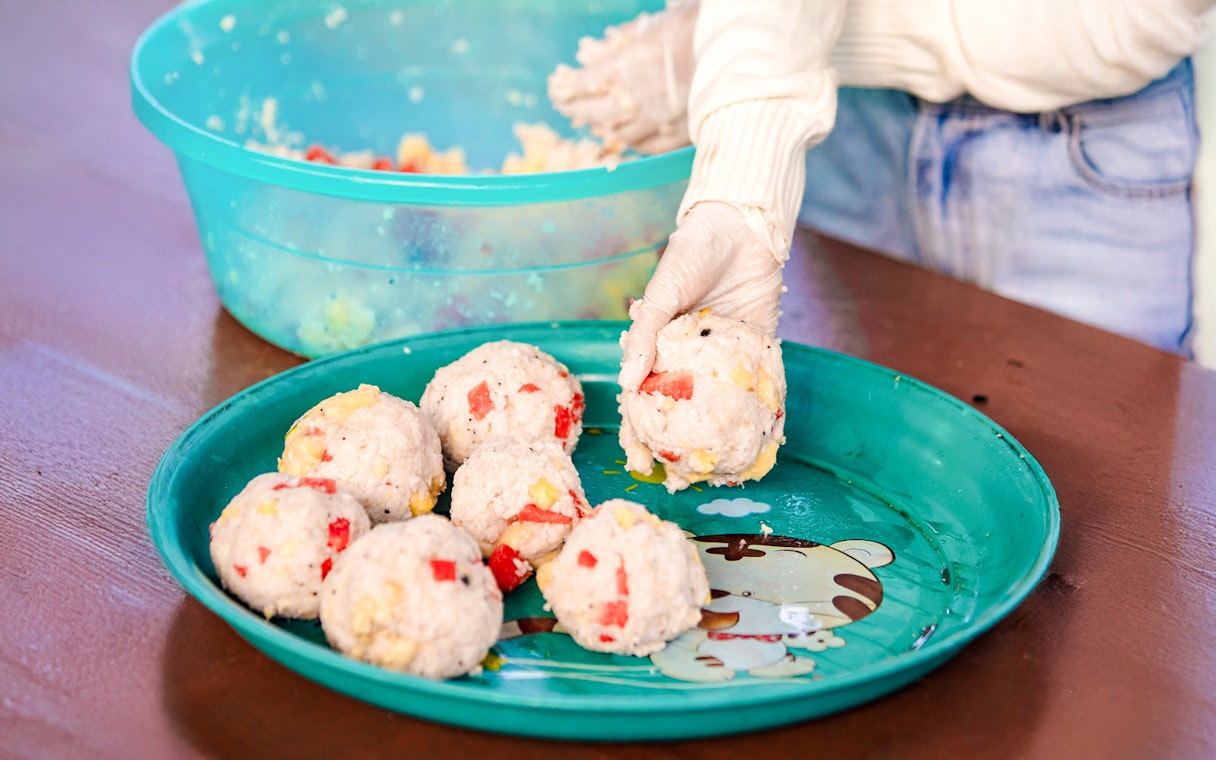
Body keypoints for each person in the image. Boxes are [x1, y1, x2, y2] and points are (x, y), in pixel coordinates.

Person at [548, 0, 1214, 389]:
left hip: (1084, 146)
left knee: (1109, 528)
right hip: (846, 133)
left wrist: (739, 63)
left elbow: (1128, 14)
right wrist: (740, 194)